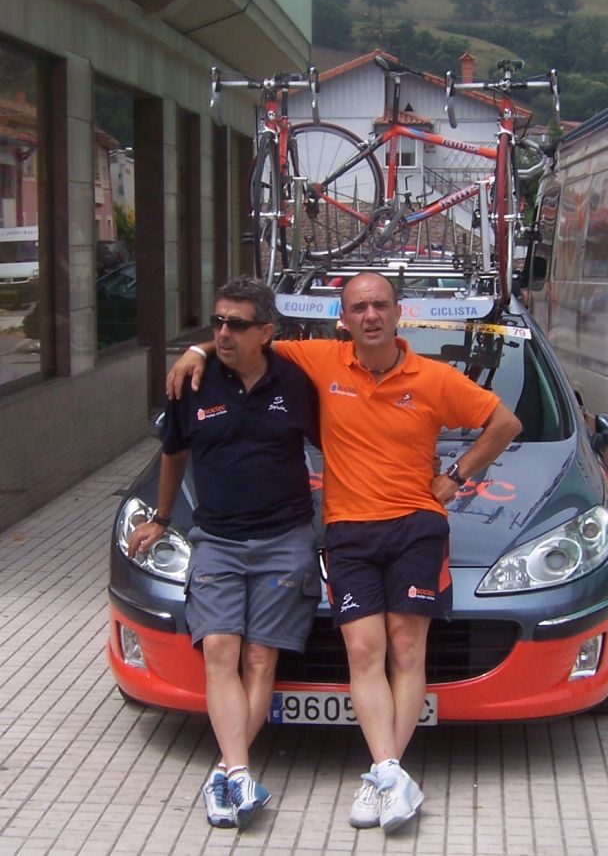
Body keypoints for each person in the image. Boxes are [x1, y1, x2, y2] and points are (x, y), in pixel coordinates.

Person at [167, 272, 521, 834]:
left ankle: (386, 773)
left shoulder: (434, 377)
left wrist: (456, 475)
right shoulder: (321, 360)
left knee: (406, 646)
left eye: (380, 305)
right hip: (349, 529)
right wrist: (196, 349)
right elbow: (243, 339)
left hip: (416, 524)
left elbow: (505, 423)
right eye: (359, 307)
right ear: (344, 318)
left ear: (399, 313)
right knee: (363, 648)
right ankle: (386, 774)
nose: (370, 315)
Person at [131, 279, 320, 830]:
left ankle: (226, 772)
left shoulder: (296, 381)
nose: (223, 333)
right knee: (219, 647)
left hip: (285, 539)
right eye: (217, 323)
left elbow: (337, 447)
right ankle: (237, 772)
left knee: (260, 657)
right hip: (216, 540)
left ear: (266, 332)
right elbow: (173, 454)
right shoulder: (191, 382)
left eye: (237, 324)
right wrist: (161, 518)